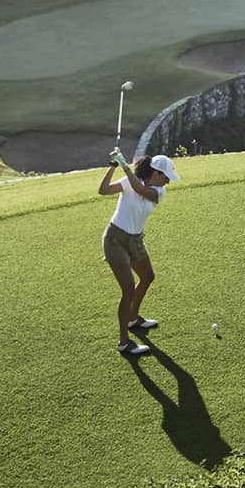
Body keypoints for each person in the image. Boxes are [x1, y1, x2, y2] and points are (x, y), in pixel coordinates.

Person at [99, 150, 179, 358]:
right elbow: (103, 190)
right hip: (115, 240)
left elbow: (139, 189)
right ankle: (124, 342)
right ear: (157, 174)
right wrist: (113, 165)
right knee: (128, 291)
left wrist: (125, 164)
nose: (168, 182)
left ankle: (133, 317)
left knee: (147, 277)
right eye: (167, 178)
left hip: (135, 240)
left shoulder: (158, 193)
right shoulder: (128, 181)